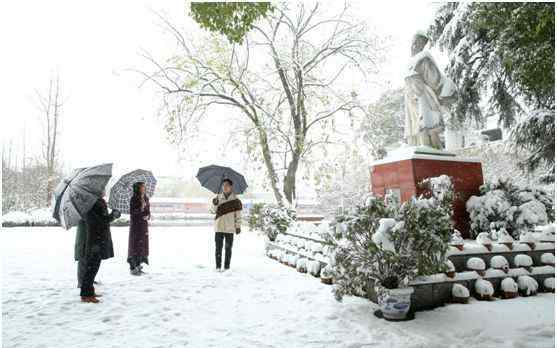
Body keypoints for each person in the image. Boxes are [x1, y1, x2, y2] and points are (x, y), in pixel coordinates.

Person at [81, 194, 120, 303]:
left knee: (94, 267)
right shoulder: (91, 202)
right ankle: (86, 294)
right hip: (95, 240)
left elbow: (102, 219)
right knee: (91, 268)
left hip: (99, 239)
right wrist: (112, 216)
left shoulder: (98, 201)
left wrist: (112, 214)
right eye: (101, 188)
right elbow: (98, 221)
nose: (103, 189)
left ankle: (89, 291)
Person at [210, 178, 242, 271]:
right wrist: (214, 204)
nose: (225, 187)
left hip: (230, 228)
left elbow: (238, 216)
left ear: (231, 187)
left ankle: (227, 267)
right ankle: (218, 267)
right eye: (223, 185)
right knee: (218, 248)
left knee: (228, 249)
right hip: (219, 227)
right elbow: (212, 211)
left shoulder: (236, 200)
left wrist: (238, 226)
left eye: (227, 185)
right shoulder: (218, 198)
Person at [128, 182, 150, 276]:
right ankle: (133, 266)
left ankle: (139, 264)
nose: (144, 188)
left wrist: (148, 215)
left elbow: (148, 210)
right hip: (136, 226)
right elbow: (133, 213)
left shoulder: (145, 198)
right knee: (135, 245)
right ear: (137, 188)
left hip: (143, 226)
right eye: (142, 187)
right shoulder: (134, 199)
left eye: (144, 187)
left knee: (142, 246)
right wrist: (140, 209)